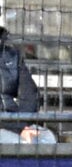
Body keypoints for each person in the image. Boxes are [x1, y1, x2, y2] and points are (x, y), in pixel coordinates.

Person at [0, 14, 47, 144]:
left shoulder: (12, 56)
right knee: (21, 143)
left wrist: (23, 125)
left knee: (47, 139)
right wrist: (19, 128)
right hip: (8, 127)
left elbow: (31, 94)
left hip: (17, 122)